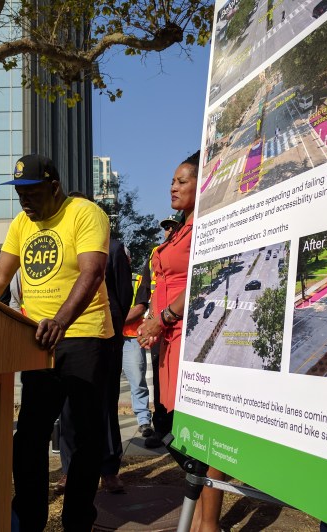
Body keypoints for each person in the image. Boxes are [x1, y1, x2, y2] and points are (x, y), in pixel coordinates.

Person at [0, 154, 113, 531]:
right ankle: (29, 520)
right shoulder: (22, 222)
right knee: (29, 437)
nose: (25, 201)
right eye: (19, 192)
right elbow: (0, 275)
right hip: (38, 342)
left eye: (32, 192)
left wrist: (61, 320)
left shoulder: (85, 213)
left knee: (83, 438)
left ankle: (77, 522)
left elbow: (93, 270)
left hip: (83, 336)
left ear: (54, 187)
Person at [137, 151, 225, 532]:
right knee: (172, 428)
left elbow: (207, 279)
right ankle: (201, 513)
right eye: (172, 181)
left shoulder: (204, 228)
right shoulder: (179, 229)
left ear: (199, 186)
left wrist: (164, 317)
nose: (173, 186)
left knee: (200, 433)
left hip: (191, 335)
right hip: (167, 341)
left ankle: (208, 523)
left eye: (182, 181)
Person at [57, 208, 133, 494]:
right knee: (68, 409)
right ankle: (69, 469)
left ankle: (109, 469)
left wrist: (113, 332)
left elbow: (124, 295)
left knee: (105, 406)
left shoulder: (112, 248)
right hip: (66, 339)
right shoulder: (60, 247)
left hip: (104, 340)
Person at [121, 214, 179, 448]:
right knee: (159, 380)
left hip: (182, 326)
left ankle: (183, 430)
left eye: (173, 227)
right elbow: (144, 297)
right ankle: (161, 428)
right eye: (165, 228)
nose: (168, 231)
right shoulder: (155, 256)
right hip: (159, 331)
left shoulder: (189, 250)